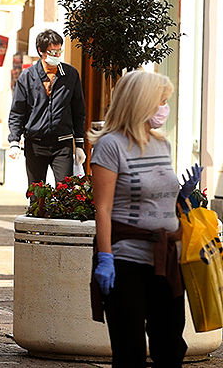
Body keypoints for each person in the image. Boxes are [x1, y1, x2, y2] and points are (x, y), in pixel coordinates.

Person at [90, 70, 201, 367]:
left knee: (170, 347)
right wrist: (105, 257)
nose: (165, 108)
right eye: (161, 101)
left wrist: (183, 196)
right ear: (141, 102)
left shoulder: (161, 143)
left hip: (166, 260)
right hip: (126, 261)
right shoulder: (110, 146)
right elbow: (102, 208)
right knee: (130, 352)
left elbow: (159, 194)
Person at [7, 29, 86, 185]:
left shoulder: (70, 75)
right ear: (40, 51)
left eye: (59, 51)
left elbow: (78, 110)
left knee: (65, 192)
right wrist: (14, 141)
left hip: (63, 143)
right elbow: (17, 111)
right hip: (35, 144)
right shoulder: (27, 77)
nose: (56, 56)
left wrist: (79, 144)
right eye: (52, 52)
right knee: (37, 194)